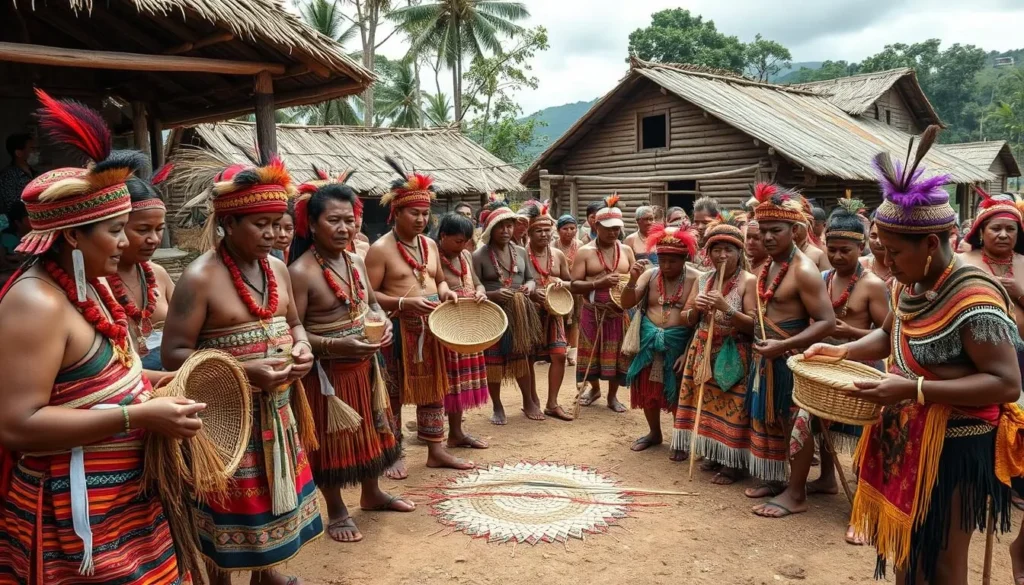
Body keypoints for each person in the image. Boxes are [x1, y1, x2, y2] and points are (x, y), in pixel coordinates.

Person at [0, 91, 203, 584]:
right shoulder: (36, 302)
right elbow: (16, 425)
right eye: (115, 230)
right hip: (74, 517)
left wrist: (167, 380)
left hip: (125, 499)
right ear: (72, 235)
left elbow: (109, 379)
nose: (124, 242)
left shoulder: (92, 287)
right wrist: (138, 414)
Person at [805, 130, 1023, 585]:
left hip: (957, 442)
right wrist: (842, 348)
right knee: (905, 548)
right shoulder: (908, 282)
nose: (885, 259)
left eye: (894, 251)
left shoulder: (975, 295)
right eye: (880, 248)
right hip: (906, 429)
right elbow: (888, 336)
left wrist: (915, 388)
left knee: (942, 560)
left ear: (931, 243)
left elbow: (1006, 383)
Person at [161, 157, 322, 585]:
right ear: (228, 224)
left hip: (280, 408)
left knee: (272, 500)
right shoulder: (199, 278)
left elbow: (294, 323)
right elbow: (174, 354)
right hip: (226, 421)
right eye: (261, 224)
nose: (273, 234)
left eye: (278, 223)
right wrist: (243, 373)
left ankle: (265, 573)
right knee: (225, 509)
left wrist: (303, 347)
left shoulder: (278, 268)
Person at [288, 179, 410, 545]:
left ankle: (371, 494)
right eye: (333, 221)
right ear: (311, 224)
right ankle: (337, 509)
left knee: (373, 431)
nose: (344, 228)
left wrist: (384, 323)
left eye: (350, 220)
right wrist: (334, 346)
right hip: (327, 377)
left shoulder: (356, 259)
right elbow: (293, 332)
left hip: (366, 366)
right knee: (331, 443)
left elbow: (372, 304)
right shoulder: (300, 272)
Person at [776, 200, 889, 529]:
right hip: (822, 367)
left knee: (867, 441)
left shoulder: (872, 286)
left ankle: (864, 509)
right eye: (834, 249)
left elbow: (886, 332)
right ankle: (823, 480)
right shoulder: (821, 277)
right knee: (811, 423)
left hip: (860, 368)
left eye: (847, 250)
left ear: (861, 247)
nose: (839, 256)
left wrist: (850, 332)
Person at [365, 159, 470, 481]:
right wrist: (403, 302)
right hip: (397, 329)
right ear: (396, 213)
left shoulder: (429, 246)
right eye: (415, 213)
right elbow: (369, 297)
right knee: (393, 393)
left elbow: (437, 279)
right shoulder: (380, 249)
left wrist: (447, 291)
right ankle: (393, 450)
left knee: (435, 390)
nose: (422, 219)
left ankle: (436, 450)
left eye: (425, 213)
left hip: (432, 326)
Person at [744, 183, 835, 510]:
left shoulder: (804, 270)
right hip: (770, 356)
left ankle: (796, 495)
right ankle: (783, 481)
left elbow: (827, 321)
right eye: (763, 231)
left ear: (795, 230)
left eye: (775, 231)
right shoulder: (769, 266)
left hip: (791, 360)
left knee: (797, 422)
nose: (768, 237)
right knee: (781, 421)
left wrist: (786, 346)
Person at [672, 217, 757, 479]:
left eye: (728, 250)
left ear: (739, 253)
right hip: (703, 349)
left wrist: (726, 308)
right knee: (706, 405)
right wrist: (696, 309)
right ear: (708, 253)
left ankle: (732, 463)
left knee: (733, 406)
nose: (722, 255)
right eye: (716, 249)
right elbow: (684, 318)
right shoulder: (703, 279)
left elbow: (754, 325)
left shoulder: (748, 281)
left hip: (735, 353)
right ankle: (713, 452)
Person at [621, 224, 699, 452]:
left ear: (684, 258)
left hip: (680, 342)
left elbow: (700, 320)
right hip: (648, 341)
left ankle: (680, 439)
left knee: (679, 393)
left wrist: (688, 352)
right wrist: (632, 280)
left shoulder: (697, 278)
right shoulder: (650, 275)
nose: (666, 265)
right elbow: (627, 303)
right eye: (662, 259)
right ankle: (654, 433)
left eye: (672, 261)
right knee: (648, 391)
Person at [473, 204, 543, 424]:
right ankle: (497, 406)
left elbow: (531, 278)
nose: (505, 230)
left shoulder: (521, 251)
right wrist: (493, 295)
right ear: (490, 229)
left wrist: (530, 287)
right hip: (493, 313)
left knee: (521, 357)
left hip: (520, 312)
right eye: (500, 226)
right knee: (493, 362)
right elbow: (476, 286)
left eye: (509, 226)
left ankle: (528, 402)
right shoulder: (479, 255)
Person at [107, 159, 176, 371]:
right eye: (143, 229)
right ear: (116, 228)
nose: (154, 239)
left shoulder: (159, 274)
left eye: (159, 229)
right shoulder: (97, 282)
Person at [571, 194, 635, 413]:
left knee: (617, 355)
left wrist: (638, 274)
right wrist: (599, 283)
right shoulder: (585, 252)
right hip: (593, 312)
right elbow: (574, 285)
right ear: (596, 226)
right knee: (590, 353)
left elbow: (635, 282)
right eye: (608, 228)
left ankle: (612, 396)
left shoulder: (626, 250)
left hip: (618, 313)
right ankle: (594, 389)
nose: (613, 232)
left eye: (616, 228)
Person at [435, 212, 491, 445]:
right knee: (448, 380)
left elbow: (477, 282)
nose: (462, 246)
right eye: (458, 241)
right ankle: (434, 434)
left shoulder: (466, 255)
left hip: (470, 325)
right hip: (447, 325)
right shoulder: (433, 256)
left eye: (465, 241)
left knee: (462, 380)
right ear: (443, 236)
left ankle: (456, 433)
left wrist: (480, 292)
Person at [521, 201, 574, 421]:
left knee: (559, 355)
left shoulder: (558, 255)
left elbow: (570, 282)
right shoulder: (521, 254)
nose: (544, 235)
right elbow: (515, 284)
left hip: (554, 312)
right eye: (538, 231)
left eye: (547, 230)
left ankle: (553, 403)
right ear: (529, 233)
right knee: (528, 357)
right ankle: (531, 401)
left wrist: (560, 283)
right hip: (529, 313)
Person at [555, 214, 582, 365]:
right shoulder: (553, 245)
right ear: (558, 230)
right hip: (558, 288)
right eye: (565, 228)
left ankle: (573, 352)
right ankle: (561, 349)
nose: (569, 231)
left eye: (572, 228)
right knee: (561, 318)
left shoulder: (581, 245)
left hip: (576, 287)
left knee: (576, 318)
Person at [0, 133, 38, 216]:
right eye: (32, 149)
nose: (36, 152)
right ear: (18, 153)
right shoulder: (8, 176)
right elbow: (12, 206)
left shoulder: (35, 173)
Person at [794, 203, 830, 270]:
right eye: (809, 224)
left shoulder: (826, 246)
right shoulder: (799, 244)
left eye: (816, 225)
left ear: (824, 225)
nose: (812, 227)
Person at [860, 213, 893, 284]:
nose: (878, 241)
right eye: (873, 236)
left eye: (883, 237)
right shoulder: (859, 265)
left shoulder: (903, 269)